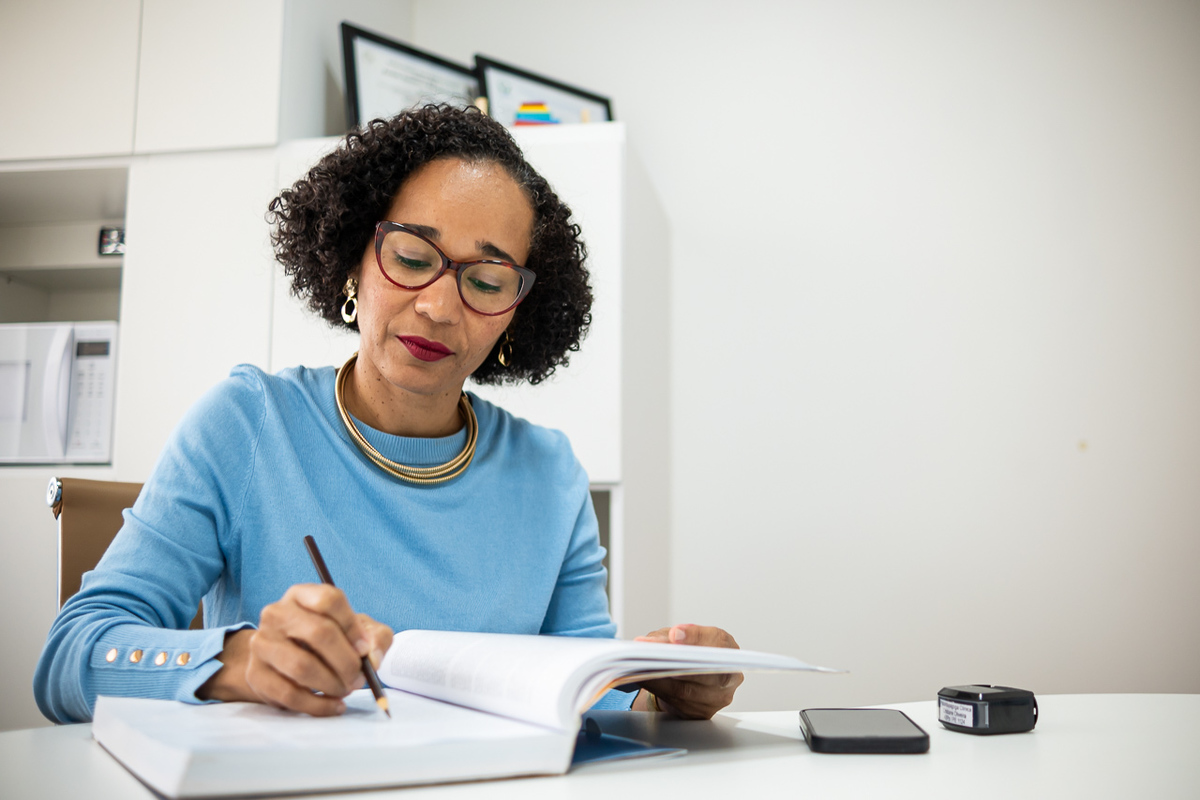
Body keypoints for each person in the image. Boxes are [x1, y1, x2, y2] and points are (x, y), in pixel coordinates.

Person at [34, 105, 742, 724]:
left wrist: (663, 692)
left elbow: (589, 694)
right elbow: (71, 656)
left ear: (516, 315)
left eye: (486, 280)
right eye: (410, 256)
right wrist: (239, 661)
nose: (438, 306)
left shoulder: (549, 475)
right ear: (352, 260)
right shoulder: (248, 424)